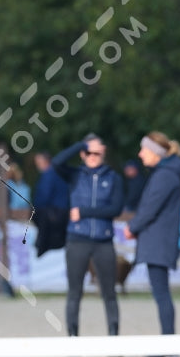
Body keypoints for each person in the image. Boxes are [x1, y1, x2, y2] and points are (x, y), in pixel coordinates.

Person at [52, 134, 124, 336]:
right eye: (89, 152)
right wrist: (80, 144)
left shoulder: (113, 178)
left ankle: (113, 338)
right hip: (77, 239)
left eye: (97, 152)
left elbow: (115, 209)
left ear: (104, 152)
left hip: (103, 241)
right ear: (83, 154)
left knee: (109, 293)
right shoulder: (75, 175)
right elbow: (57, 162)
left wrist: (83, 212)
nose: (93, 156)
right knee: (75, 292)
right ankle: (73, 339)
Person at [124, 131, 180, 335]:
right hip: (160, 240)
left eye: (144, 150)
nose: (141, 154)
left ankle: (167, 341)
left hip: (159, 241)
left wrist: (132, 227)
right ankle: (167, 339)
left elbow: (150, 208)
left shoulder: (164, 176)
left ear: (155, 152)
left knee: (161, 293)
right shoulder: (166, 174)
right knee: (161, 292)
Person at [31, 151, 70, 256]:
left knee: (45, 249)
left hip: (51, 218)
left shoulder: (48, 174)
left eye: (38, 162)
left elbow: (43, 196)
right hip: (63, 217)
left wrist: (35, 210)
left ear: (45, 162)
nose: (37, 166)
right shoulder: (61, 174)